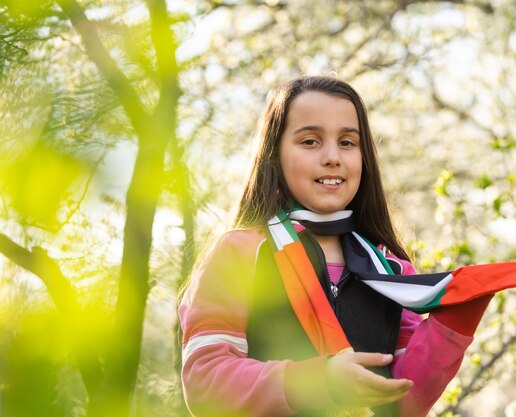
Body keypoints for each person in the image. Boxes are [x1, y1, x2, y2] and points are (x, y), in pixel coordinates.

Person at [178, 75, 494, 417]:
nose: (332, 157)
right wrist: (319, 383)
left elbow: (401, 402)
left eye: (347, 142)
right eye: (311, 141)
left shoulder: (390, 269)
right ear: (275, 154)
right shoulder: (240, 253)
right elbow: (204, 382)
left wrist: (457, 321)